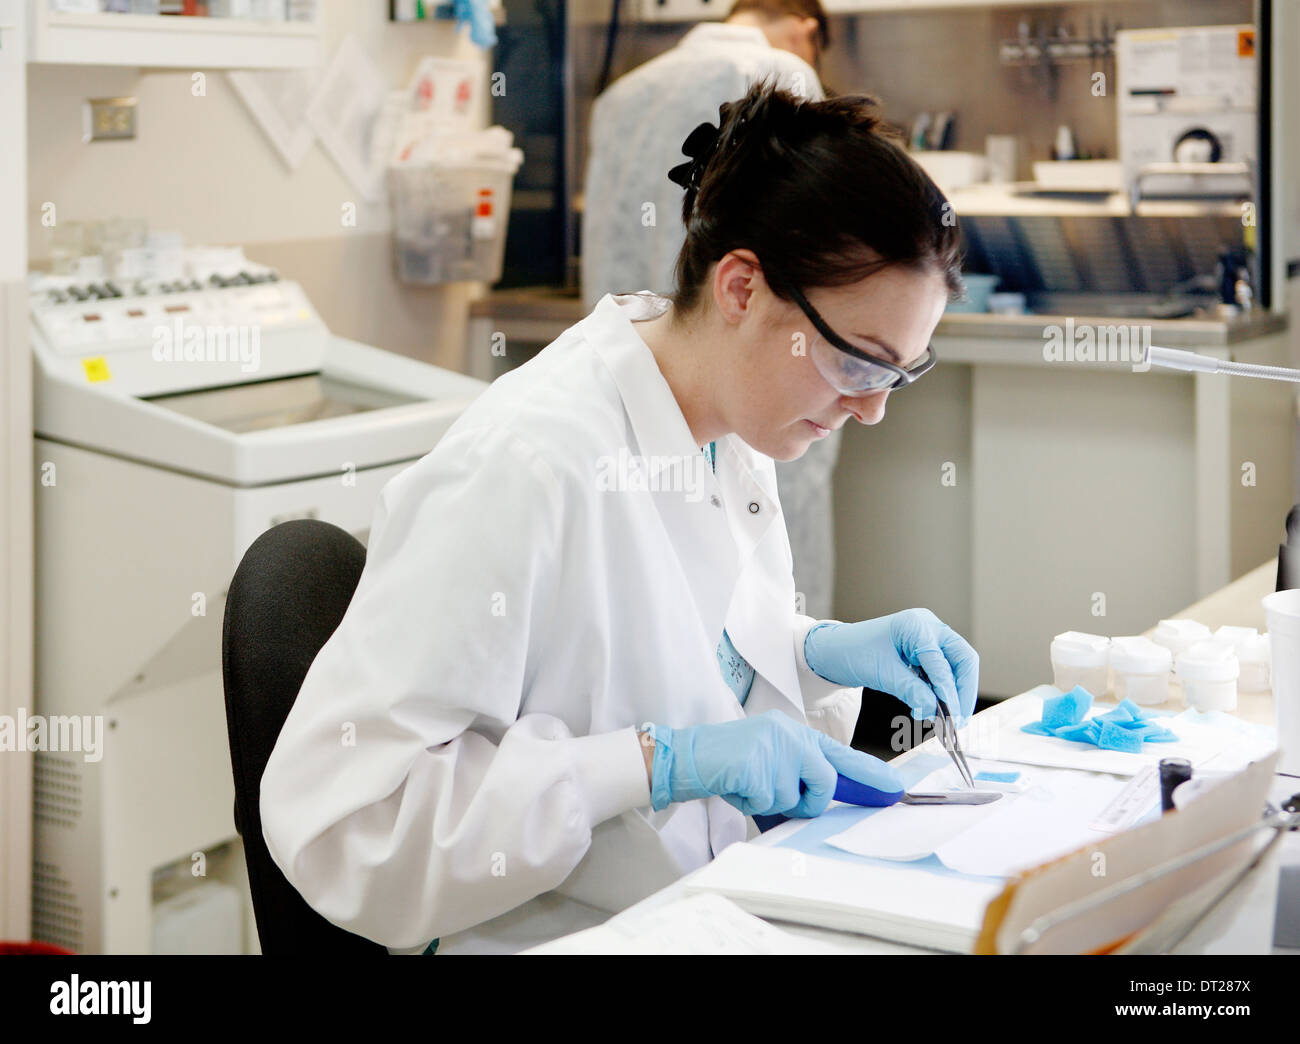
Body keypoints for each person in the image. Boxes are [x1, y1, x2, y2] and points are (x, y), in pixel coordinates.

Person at [260, 83, 977, 955]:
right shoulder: (529, 461)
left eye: (898, 374)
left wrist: (809, 652)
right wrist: (653, 764)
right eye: (859, 364)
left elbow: (678, 647)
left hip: (707, 911)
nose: (871, 413)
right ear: (743, 288)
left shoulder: (726, 421)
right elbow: (347, 822)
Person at [581, 0, 842, 620]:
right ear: (807, 29)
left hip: (634, 370)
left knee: (646, 581)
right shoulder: (783, 77)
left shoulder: (622, 97)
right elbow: (813, 252)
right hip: (753, 366)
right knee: (772, 567)